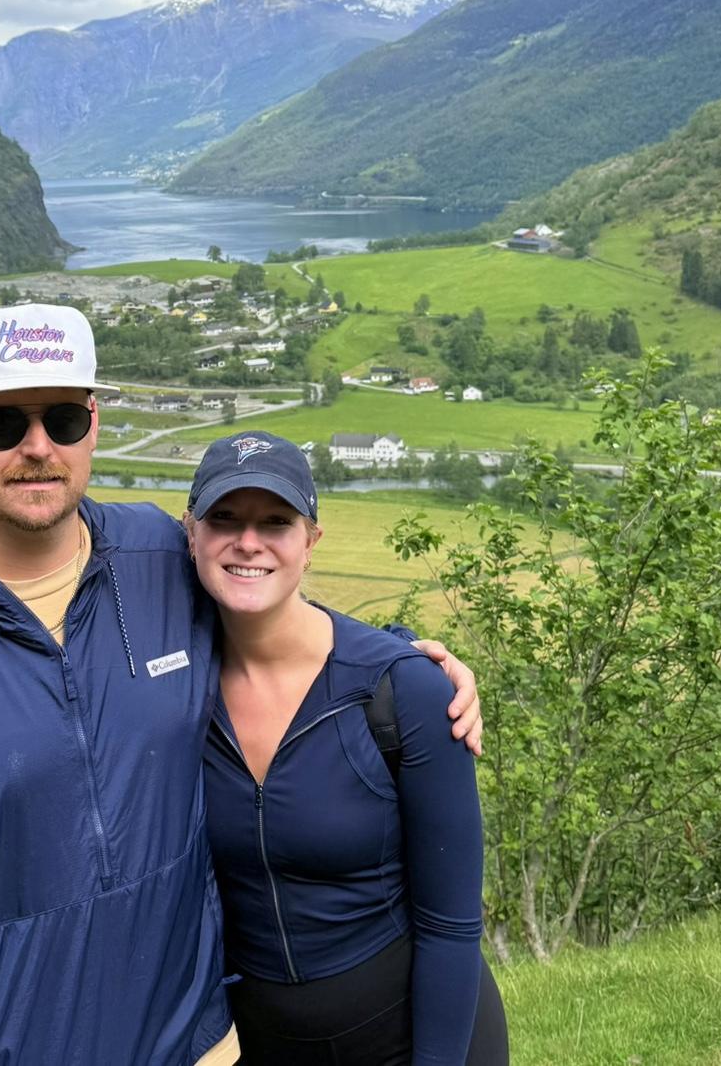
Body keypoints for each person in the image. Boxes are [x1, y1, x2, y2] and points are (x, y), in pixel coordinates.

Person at [0, 304, 483, 1065]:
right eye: (4, 423)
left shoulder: (155, 557)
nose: (38, 448)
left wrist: (401, 664)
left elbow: (267, 599)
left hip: (198, 1047)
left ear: (93, 424)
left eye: (63, 419)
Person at [190, 431, 508, 1066]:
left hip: (414, 1033)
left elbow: (450, 925)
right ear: (189, 532)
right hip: (265, 1042)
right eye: (224, 517)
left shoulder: (403, 691)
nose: (248, 541)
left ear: (311, 541)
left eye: (276, 521)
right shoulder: (170, 685)